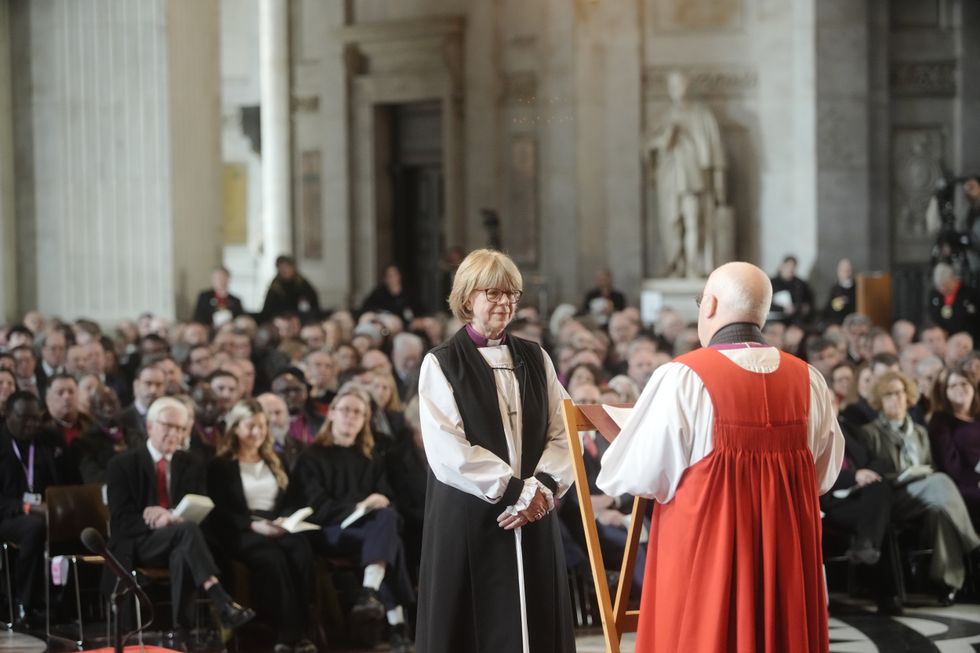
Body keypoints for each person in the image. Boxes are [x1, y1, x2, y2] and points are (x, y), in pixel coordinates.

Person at [596, 261, 843, 653]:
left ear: (709, 304)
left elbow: (636, 476)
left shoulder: (683, 377)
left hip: (707, 560)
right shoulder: (808, 380)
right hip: (784, 563)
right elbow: (823, 475)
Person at [416, 249, 575, 653]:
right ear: (468, 297)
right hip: (473, 515)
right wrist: (515, 491)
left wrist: (542, 487)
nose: (505, 302)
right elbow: (447, 449)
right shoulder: (442, 363)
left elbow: (564, 431)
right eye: (494, 293)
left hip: (534, 512)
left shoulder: (535, 358)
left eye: (511, 294)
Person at [104, 397, 256, 640]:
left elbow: (199, 507)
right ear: (150, 425)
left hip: (180, 540)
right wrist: (155, 521)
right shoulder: (122, 464)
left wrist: (170, 517)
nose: (174, 434)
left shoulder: (191, 463)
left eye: (181, 428)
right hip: (138, 542)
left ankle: (181, 633)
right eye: (168, 426)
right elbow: (121, 520)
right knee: (187, 533)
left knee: (183, 546)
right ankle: (220, 600)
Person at [294, 386, 415, 652]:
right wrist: (358, 507)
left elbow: (389, 498)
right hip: (330, 531)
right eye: (346, 410)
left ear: (365, 420)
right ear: (332, 413)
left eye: (358, 412)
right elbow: (316, 506)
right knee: (389, 538)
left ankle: (371, 595)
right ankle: (396, 624)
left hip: (371, 532)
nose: (351, 416)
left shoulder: (371, 458)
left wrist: (380, 501)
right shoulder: (312, 456)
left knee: (387, 521)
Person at [207, 400, 317, 653]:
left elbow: (292, 498)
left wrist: (285, 520)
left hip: (276, 523)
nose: (257, 432)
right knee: (271, 558)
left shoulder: (276, 460)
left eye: (262, 426)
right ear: (236, 428)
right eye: (250, 426)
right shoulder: (220, 465)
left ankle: (304, 630)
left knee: (301, 551)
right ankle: (284, 634)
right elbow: (220, 510)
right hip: (242, 529)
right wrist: (254, 526)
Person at [861, 370, 980, 604]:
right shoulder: (870, 433)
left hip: (927, 493)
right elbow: (875, 476)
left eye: (899, 393)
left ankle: (947, 584)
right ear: (879, 400)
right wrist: (905, 476)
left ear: (908, 396)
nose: (896, 399)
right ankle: (974, 546)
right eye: (888, 394)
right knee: (941, 481)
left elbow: (930, 466)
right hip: (894, 496)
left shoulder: (920, 432)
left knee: (940, 512)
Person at [645, 70, 728, 278]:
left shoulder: (702, 115)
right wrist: (663, 141)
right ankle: (675, 264)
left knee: (693, 221)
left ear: (688, 86)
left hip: (693, 178)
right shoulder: (663, 117)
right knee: (672, 223)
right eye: (673, 85)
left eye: (680, 84)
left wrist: (719, 182)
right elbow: (647, 146)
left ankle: (693, 266)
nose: (677, 89)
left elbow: (715, 151)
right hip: (670, 179)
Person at [0, 392, 62, 625]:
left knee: (77, 522)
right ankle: (25, 602)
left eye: (36, 418)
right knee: (34, 528)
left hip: (49, 511)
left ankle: (64, 602)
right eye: (24, 418)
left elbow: (68, 478)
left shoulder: (49, 439)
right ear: (8, 414)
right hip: (8, 514)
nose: (31, 424)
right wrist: (28, 507)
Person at [928, 363, 980, 528]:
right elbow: (950, 464)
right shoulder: (940, 421)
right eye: (953, 386)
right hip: (964, 483)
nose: (960, 389)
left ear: (972, 387)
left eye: (964, 383)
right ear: (945, 393)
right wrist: (976, 481)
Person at [928, 262, 980, 341]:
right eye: (939, 286)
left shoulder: (970, 294)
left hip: (968, 339)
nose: (942, 289)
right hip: (944, 340)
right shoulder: (935, 295)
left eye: (945, 285)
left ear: (953, 279)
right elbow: (933, 314)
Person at [261, 255, 321, 322]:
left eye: (287, 267)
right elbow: (268, 309)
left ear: (293, 267)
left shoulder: (301, 283)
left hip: (301, 319)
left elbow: (313, 303)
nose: (284, 270)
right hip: (280, 320)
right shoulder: (275, 286)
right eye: (281, 268)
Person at [824, 258, 857, 325]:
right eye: (843, 270)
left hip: (855, 320)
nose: (846, 273)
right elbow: (830, 308)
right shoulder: (835, 289)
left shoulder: (858, 288)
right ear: (838, 272)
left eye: (848, 270)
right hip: (839, 321)